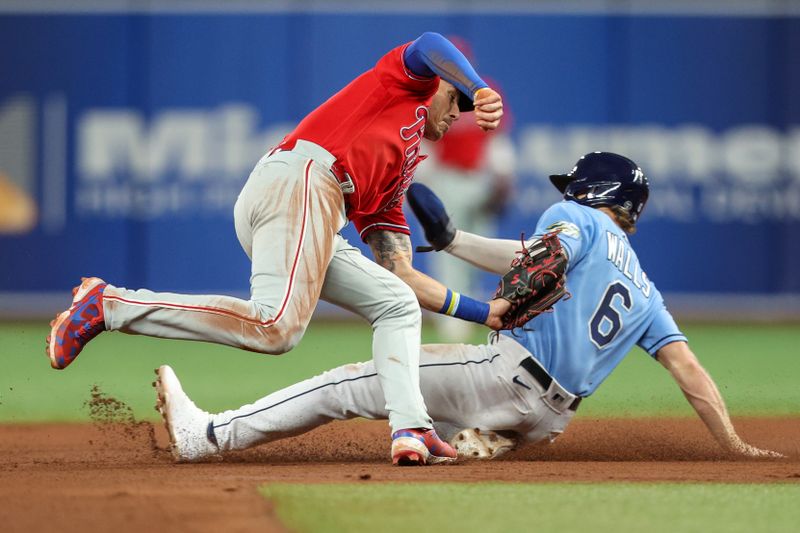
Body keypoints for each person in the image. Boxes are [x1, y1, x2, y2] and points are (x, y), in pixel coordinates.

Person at [46, 32, 508, 466]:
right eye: (457, 98)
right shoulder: (403, 85)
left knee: (395, 304)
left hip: (312, 205)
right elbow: (429, 43)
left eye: (468, 105)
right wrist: (480, 86)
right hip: (307, 180)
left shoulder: (395, 177)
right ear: (438, 84)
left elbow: (402, 274)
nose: (460, 111)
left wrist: (481, 312)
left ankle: (412, 428)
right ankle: (108, 305)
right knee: (276, 327)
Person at [152, 151, 782, 462]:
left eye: (576, 188)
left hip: (502, 373)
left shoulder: (573, 218)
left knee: (353, 381)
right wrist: (733, 445)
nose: (567, 195)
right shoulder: (644, 288)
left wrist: (513, 283)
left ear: (594, 193)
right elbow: (689, 373)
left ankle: (207, 435)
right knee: (441, 411)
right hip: (550, 421)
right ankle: (473, 438)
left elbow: (543, 255)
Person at [414, 36, 517, 342]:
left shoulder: (486, 91)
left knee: (477, 250)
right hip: (445, 179)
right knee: (446, 250)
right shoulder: (431, 92)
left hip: (478, 180)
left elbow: (497, 140)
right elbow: (422, 143)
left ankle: (474, 312)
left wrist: (503, 177)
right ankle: (453, 323)